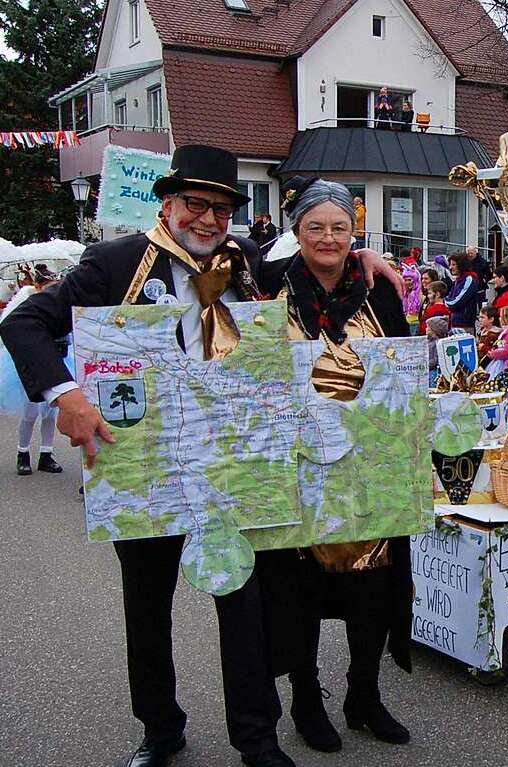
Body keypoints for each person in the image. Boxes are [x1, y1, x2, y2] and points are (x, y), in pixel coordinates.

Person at [0, 146, 401, 767]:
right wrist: (68, 395)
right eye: (196, 203)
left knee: (245, 605)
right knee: (148, 605)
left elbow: (313, 268)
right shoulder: (115, 261)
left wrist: (362, 255)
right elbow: (25, 323)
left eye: (221, 207)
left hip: (230, 469)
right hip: (145, 466)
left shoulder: (246, 267)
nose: (209, 219)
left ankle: (256, 736)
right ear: (169, 202)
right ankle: (160, 728)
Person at [273, 176, 413, 752]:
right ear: (296, 232)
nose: (328, 238)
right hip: (300, 469)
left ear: (354, 234)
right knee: (300, 593)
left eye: (340, 229)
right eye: (315, 227)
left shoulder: (379, 291)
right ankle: (306, 700)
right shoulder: (270, 290)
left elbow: (405, 374)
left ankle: (364, 695)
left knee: (372, 592)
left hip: (369, 470)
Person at [1, 265, 64, 475]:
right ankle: (23, 452)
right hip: (31, 360)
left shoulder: (58, 302)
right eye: (48, 287)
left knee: (51, 412)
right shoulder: (25, 302)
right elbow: (10, 327)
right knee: (31, 411)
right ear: (37, 286)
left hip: (57, 357)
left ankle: (46, 454)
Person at [444, 252, 482, 334]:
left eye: (453, 265)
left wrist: (445, 302)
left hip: (465, 324)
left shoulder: (469, 279)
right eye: (450, 265)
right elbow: (449, 296)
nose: (450, 267)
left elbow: (457, 301)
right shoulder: (458, 280)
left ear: (461, 265)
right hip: (455, 322)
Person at [401, 264, 422, 334]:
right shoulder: (406, 294)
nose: (407, 282)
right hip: (407, 323)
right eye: (405, 280)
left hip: (416, 325)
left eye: (409, 280)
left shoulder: (420, 294)